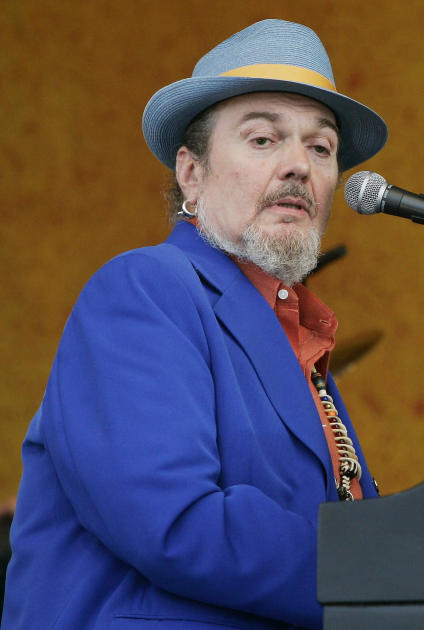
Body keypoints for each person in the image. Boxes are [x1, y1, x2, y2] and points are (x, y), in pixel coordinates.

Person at [2, 19, 386, 629]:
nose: (298, 166)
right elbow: (174, 520)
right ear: (191, 173)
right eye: (263, 140)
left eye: (321, 148)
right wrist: (382, 578)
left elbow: (342, 512)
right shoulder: (144, 288)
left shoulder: (296, 332)